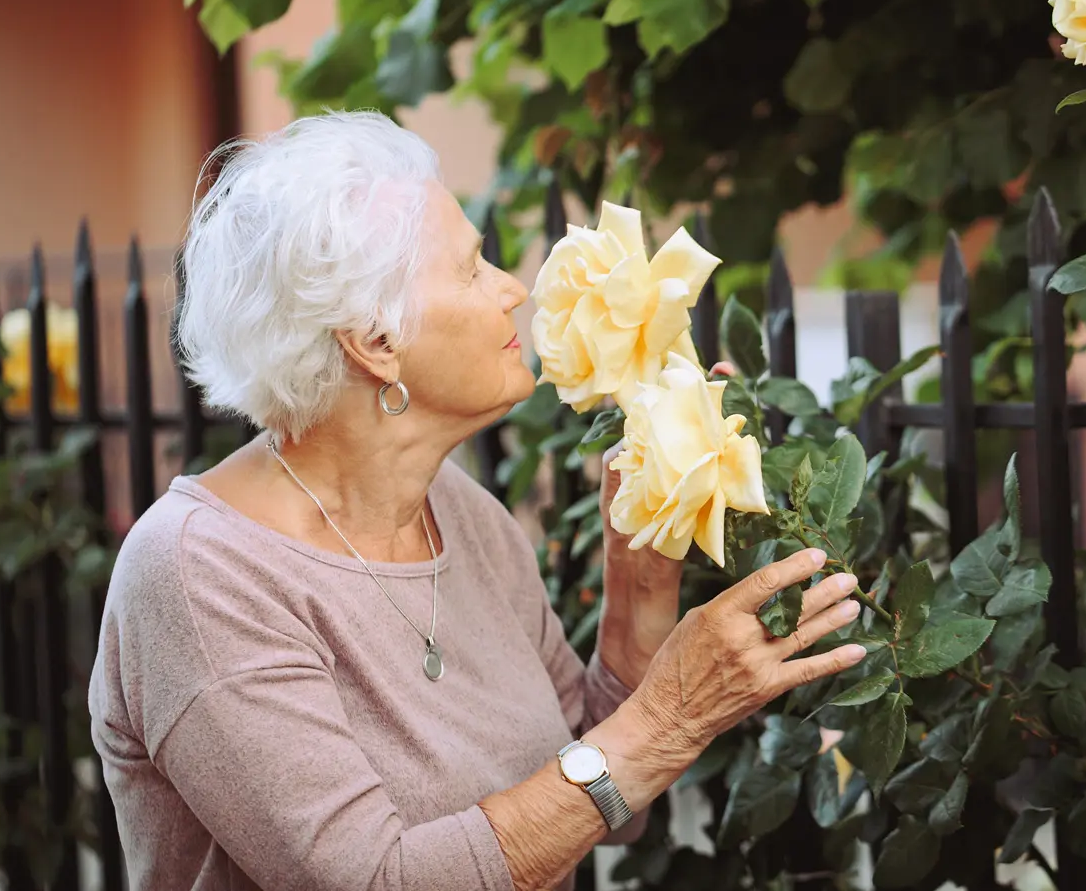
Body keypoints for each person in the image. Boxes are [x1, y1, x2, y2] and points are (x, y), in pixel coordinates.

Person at [88, 111, 868, 891]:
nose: (512, 289)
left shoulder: (457, 511)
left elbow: (598, 793)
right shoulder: (200, 574)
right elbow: (375, 880)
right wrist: (671, 716)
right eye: (470, 270)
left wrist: (641, 570)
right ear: (375, 339)